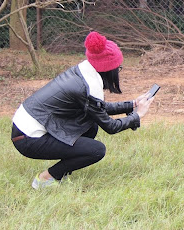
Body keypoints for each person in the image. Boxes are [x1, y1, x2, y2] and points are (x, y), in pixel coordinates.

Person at [11, 31, 154, 189]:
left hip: (23, 130)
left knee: (90, 125)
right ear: (108, 69)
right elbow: (111, 127)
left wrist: (132, 104)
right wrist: (138, 115)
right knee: (96, 150)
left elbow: (99, 109)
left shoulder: (83, 71)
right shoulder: (88, 86)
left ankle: (63, 170)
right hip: (28, 139)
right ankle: (45, 179)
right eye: (117, 68)